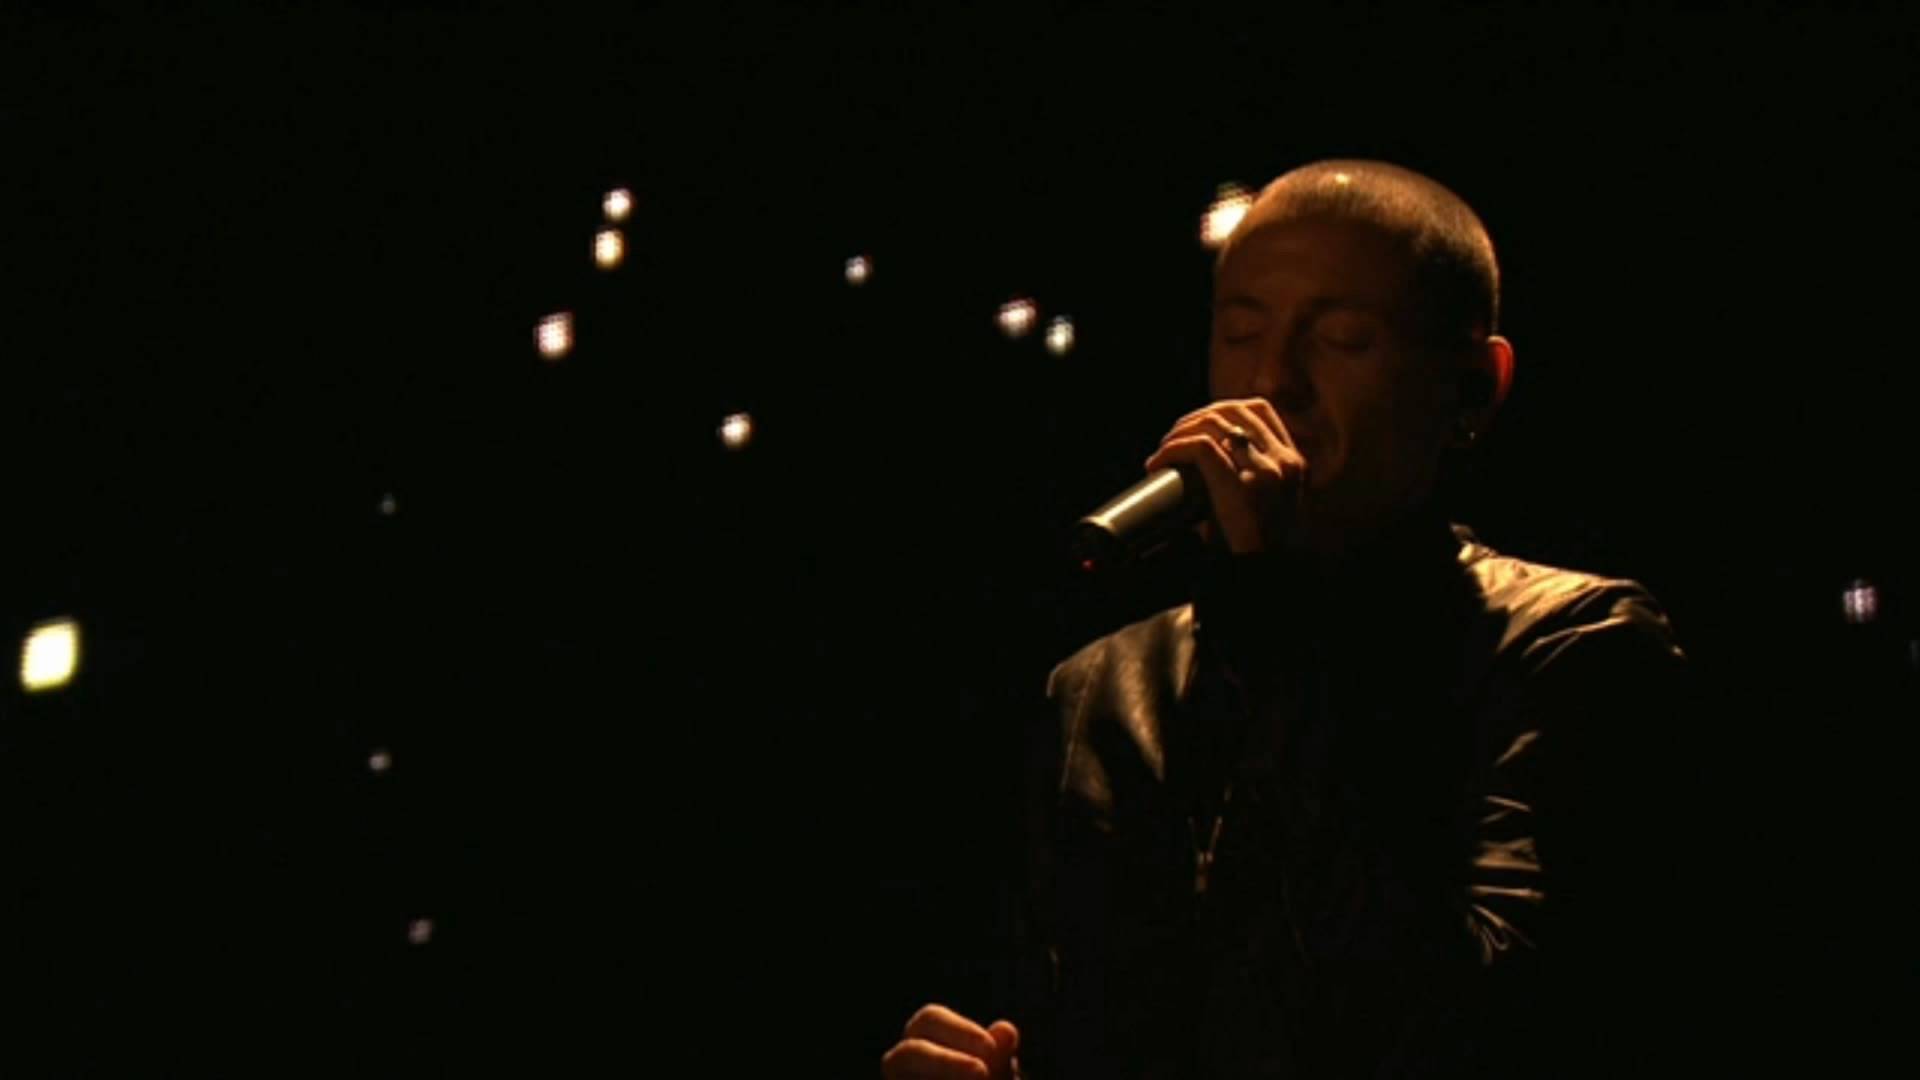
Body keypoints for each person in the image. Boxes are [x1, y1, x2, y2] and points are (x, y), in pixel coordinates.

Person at [881, 160, 1692, 1078]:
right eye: (1240, 334)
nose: (1271, 382)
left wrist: (1278, 625)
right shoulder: (1102, 685)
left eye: (1342, 340)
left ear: (1471, 386)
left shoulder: (1576, 644)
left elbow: (1480, 1021)